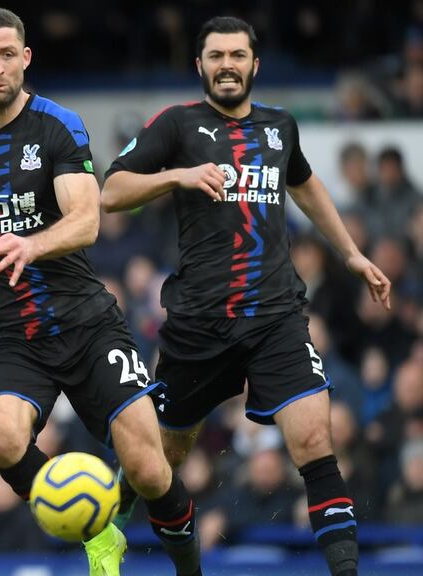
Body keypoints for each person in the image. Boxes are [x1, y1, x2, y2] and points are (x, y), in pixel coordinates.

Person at [102, 16, 392, 576]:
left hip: (276, 316)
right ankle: (111, 533)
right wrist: (176, 178)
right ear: (201, 67)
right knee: (160, 460)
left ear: (255, 65)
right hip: (198, 322)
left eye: (237, 55)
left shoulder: (280, 128)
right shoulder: (177, 126)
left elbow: (305, 184)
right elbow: (111, 191)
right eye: (216, 56)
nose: (227, 65)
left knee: (313, 437)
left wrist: (351, 253)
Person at [0, 8, 201, 576]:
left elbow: (87, 219)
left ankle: (190, 571)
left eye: (8, 54)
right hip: (13, 334)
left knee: (150, 471)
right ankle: (99, 534)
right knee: (0, 439)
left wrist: (30, 245)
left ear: (26, 58)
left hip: (87, 324)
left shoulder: (58, 125)